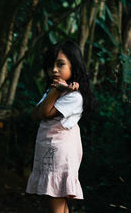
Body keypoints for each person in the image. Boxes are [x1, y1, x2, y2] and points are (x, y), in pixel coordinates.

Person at [26, 40, 95, 213]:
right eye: (51, 66)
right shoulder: (52, 91)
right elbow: (34, 114)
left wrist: (56, 90)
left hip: (59, 152)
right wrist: (56, 89)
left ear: (74, 65)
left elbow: (45, 113)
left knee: (55, 198)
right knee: (59, 201)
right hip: (49, 150)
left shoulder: (75, 96)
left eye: (60, 64)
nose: (54, 70)